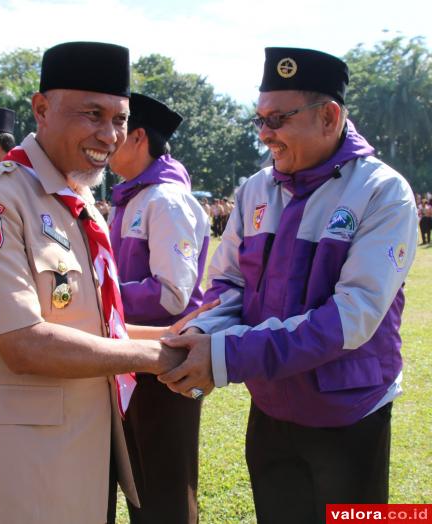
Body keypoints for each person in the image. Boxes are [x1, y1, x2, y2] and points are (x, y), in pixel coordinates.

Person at [159, 47, 419, 523]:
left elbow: (351, 318)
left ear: (329, 116)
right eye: (259, 118)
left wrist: (225, 356)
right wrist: (204, 333)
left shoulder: (382, 192)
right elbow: (227, 282)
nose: (264, 135)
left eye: (277, 119)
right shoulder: (256, 189)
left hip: (348, 414)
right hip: (271, 406)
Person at [0, 42, 190, 524]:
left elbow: (98, 326)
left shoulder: (74, 203)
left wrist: (182, 337)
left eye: (119, 119)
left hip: (85, 451)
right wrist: (161, 355)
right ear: (41, 109)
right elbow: (23, 343)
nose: (110, 134)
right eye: (92, 114)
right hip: (22, 469)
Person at [107, 92, 210, 523]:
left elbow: (173, 294)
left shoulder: (165, 199)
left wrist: (100, 298)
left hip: (165, 363)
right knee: (140, 483)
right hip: (134, 354)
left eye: (116, 128)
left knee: (165, 488)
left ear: (138, 137)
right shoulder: (132, 197)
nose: (105, 138)